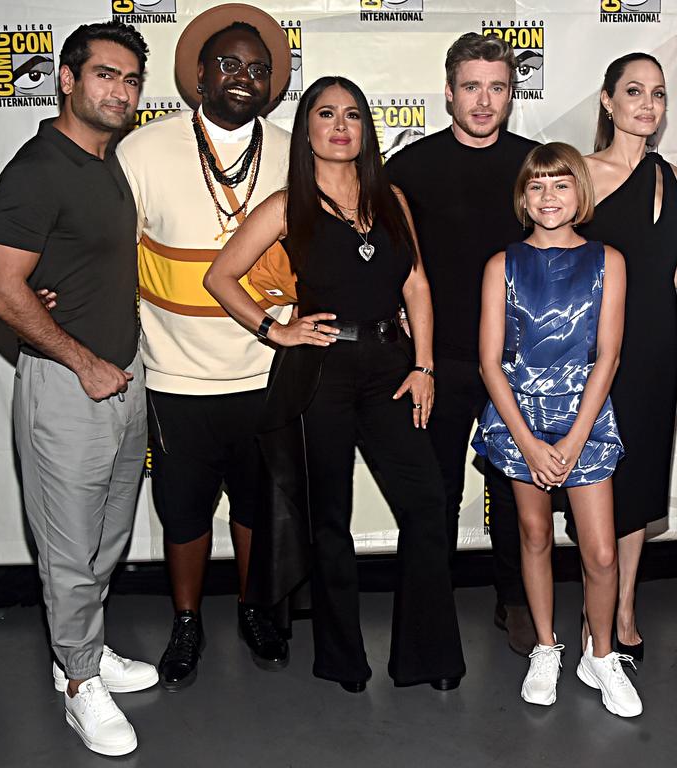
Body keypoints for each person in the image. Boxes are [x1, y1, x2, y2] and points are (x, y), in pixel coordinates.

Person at [204, 76, 465, 693]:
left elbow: (417, 285)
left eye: (352, 114)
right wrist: (276, 331)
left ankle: (428, 657)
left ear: (366, 128)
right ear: (308, 130)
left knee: (428, 505)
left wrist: (424, 365)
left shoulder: (391, 198)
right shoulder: (286, 204)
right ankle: (342, 659)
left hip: (391, 368)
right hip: (321, 370)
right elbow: (221, 277)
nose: (341, 125)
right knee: (330, 519)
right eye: (326, 114)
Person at [0, 21, 156, 756]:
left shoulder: (108, 161)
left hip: (125, 378)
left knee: (108, 536)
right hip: (67, 385)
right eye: (105, 75)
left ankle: (78, 653)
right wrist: (79, 360)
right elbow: (0, 287)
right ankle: (80, 682)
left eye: (130, 79)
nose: (119, 91)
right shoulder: (36, 167)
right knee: (68, 546)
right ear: (66, 77)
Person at [115, 3, 292, 689]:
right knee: (183, 510)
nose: (243, 77)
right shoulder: (143, 150)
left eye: (258, 68)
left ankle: (252, 608)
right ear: (197, 73)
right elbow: (111, 256)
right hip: (175, 374)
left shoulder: (291, 149)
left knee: (253, 505)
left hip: (266, 371)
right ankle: (186, 621)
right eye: (228, 63)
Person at [386, 32, 540, 656]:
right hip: (439, 358)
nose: (483, 101)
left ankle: (517, 601)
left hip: (522, 360)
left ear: (511, 94)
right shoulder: (409, 168)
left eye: (496, 88)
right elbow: (384, 258)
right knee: (435, 491)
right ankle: (430, 606)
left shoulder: (538, 166)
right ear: (448, 94)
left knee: (515, 488)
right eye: (471, 88)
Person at [475, 142, 640, 717]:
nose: (549, 196)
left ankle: (601, 655)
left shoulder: (608, 260)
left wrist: (572, 440)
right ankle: (546, 647)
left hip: (585, 418)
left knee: (599, 553)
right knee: (534, 537)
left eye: (561, 184)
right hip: (520, 419)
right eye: (538, 185)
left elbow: (609, 357)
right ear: (523, 196)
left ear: (581, 193)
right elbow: (489, 363)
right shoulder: (502, 264)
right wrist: (527, 441)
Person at [568, 51, 677, 659]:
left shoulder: (675, 178)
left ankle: (624, 607)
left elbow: (672, 269)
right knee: (601, 475)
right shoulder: (578, 174)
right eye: (634, 92)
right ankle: (595, 606)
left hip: (658, 344)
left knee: (640, 476)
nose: (648, 104)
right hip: (592, 348)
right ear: (608, 101)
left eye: (658, 94)